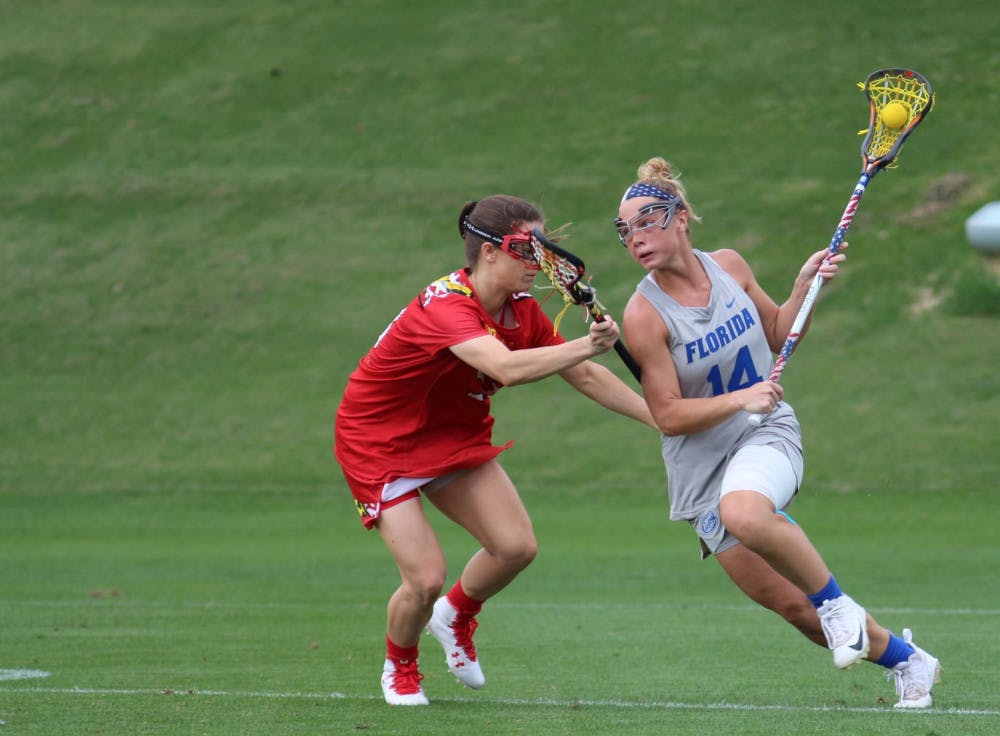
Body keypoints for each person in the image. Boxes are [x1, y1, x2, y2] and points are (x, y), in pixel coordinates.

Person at [615, 157, 941, 709]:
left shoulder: (730, 267)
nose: (637, 237)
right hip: (701, 470)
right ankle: (910, 662)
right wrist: (740, 396)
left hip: (765, 435)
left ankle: (838, 604)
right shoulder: (645, 316)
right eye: (625, 230)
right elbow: (667, 415)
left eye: (649, 219)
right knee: (797, 610)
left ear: (682, 218)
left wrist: (802, 288)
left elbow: (778, 332)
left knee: (748, 516)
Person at [334, 194, 657, 705]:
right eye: (527, 250)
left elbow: (586, 376)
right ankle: (400, 666)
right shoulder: (445, 304)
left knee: (515, 547)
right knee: (424, 579)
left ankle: (456, 615)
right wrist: (586, 343)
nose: (539, 264)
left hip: (452, 433)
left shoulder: (521, 312)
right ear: (488, 252)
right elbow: (505, 367)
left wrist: (663, 421)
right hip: (380, 439)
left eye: (542, 250)